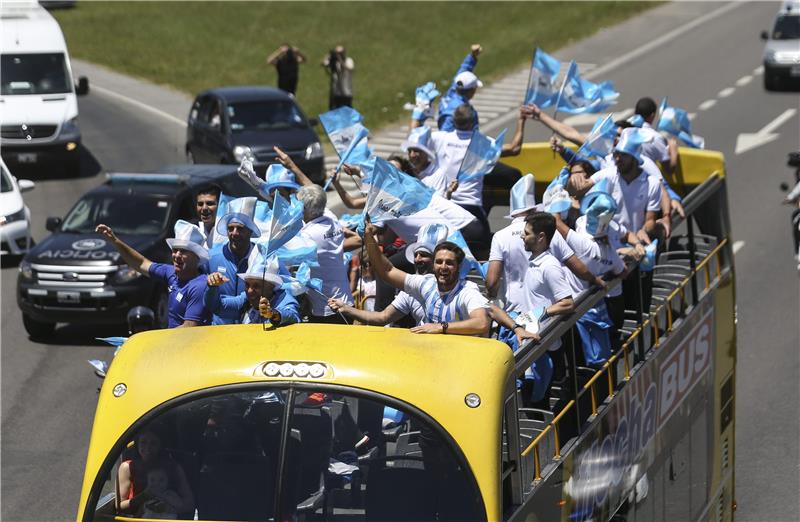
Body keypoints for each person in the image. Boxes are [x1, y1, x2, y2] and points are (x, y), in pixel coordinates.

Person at [486, 175, 605, 313]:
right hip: (548, 314)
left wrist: (491, 295)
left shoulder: (500, 237)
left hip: (515, 312)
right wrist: (595, 280)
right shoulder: (550, 232)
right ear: (533, 210)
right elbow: (577, 267)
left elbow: (492, 281)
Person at [363, 217, 490, 336]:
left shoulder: (467, 291)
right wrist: (368, 236)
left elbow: (482, 323)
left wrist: (441, 327)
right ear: (434, 265)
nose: (443, 267)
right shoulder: (425, 283)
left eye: (449, 263)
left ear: (458, 267)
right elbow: (387, 271)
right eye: (439, 262)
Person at [96, 220, 210, 328]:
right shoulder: (171, 272)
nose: (177, 255)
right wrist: (115, 240)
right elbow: (141, 263)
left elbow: (189, 328)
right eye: (175, 250)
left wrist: (157, 339)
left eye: (183, 251)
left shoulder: (199, 286)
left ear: (196, 256)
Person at [297, 184, 355, 323]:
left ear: (304, 208)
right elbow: (316, 194)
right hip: (347, 304)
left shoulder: (307, 236)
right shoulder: (332, 219)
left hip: (326, 310)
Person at [206, 197, 261, 325]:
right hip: (219, 332)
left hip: (251, 332)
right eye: (230, 228)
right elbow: (203, 298)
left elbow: (282, 287)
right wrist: (211, 287)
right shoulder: (212, 257)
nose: (234, 233)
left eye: (240, 228)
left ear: (250, 231)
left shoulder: (263, 257)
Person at [204, 254, 299, 326]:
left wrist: (272, 314)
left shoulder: (284, 298)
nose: (249, 291)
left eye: (256, 286)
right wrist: (212, 287)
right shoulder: (245, 300)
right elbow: (217, 307)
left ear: (271, 286)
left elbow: (293, 316)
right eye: (247, 285)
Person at [116, 429, 194, 516]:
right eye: (143, 442)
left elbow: (189, 505)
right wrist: (144, 496)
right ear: (137, 444)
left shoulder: (173, 468)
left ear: (161, 446)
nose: (147, 448)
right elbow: (119, 506)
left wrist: (168, 503)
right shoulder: (127, 467)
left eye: (153, 443)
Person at [437, 44, 483, 132]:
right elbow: (445, 133)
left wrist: (473, 55)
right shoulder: (461, 111)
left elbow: (464, 68)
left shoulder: (455, 88)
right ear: (471, 91)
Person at [322, 45, 354, 109]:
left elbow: (349, 68)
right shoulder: (335, 62)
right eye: (337, 53)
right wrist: (329, 56)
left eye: (340, 53)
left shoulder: (349, 60)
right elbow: (323, 63)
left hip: (346, 92)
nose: (339, 54)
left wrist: (340, 60)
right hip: (337, 93)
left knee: (347, 114)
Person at [194, 183, 221, 249]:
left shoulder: (230, 233)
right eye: (200, 204)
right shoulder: (192, 231)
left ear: (220, 205)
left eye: (210, 203)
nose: (204, 208)